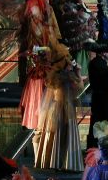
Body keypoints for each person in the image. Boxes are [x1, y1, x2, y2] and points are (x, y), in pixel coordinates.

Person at [33, 42, 83, 172]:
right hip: (65, 109)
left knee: (54, 135)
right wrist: (78, 73)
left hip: (54, 107)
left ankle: (52, 160)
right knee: (65, 135)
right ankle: (66, 162)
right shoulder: (67, 76)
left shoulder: (54, 75)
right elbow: (79, 88)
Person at [18, 0, 59, 131]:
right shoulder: (36, 7)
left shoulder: (38, 6)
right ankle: (38, 119)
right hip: (38, 54)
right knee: (38, 83)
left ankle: (39, 119)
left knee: (38, 83)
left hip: (39, 53)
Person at [55, 0, 96, 74]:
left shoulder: (80, 5)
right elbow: (78, 25)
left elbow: (92, 19)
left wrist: (83, 6)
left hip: (85, 44)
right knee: (81, 72)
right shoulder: (68, 8)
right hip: (78, 46)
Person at [86, 39, 108, 148]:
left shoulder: (94, 63)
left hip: (98, 99)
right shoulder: (101, 65)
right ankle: (102, 149)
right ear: (103, 53)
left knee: (96, 123)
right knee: (104, 125)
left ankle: (96, 147)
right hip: (104, 101)